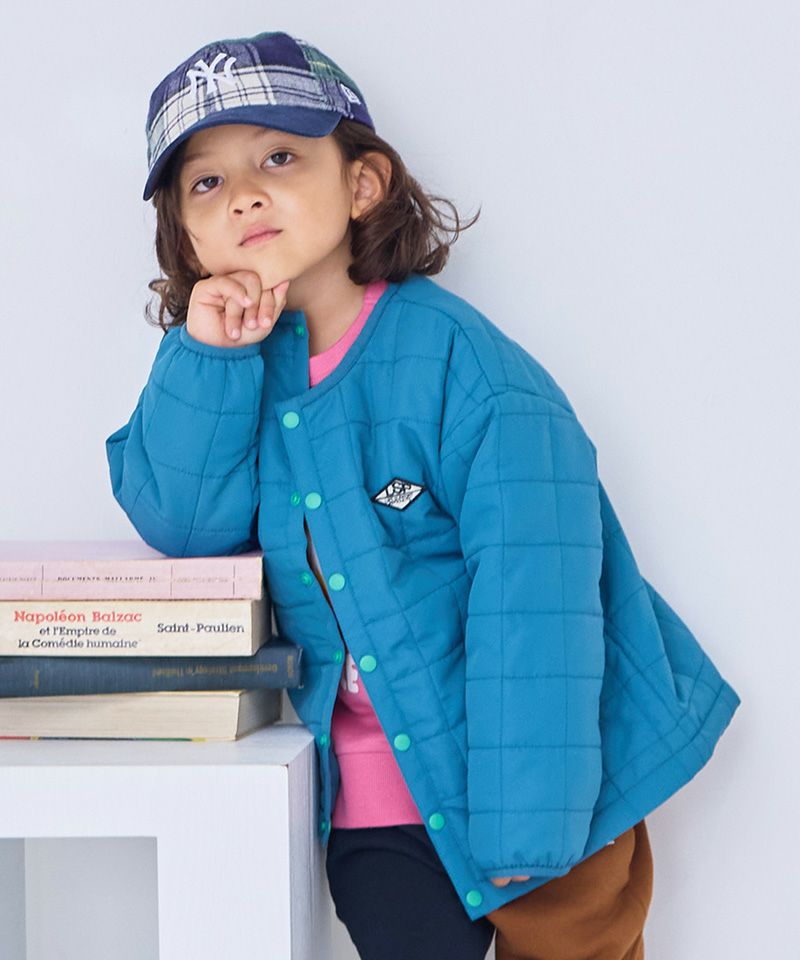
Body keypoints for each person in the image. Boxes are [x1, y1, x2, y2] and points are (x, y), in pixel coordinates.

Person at [105, 30, 741, 960]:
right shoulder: (230, 374)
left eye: (279, 157)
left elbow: (538, 590)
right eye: (206, 181)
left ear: (362, 183)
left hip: (551, 789)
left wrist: (529, 828)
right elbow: (183, 528)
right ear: (185, 234)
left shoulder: (462, 367)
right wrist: (208, 357)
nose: (243, 194)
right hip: (377, 807)